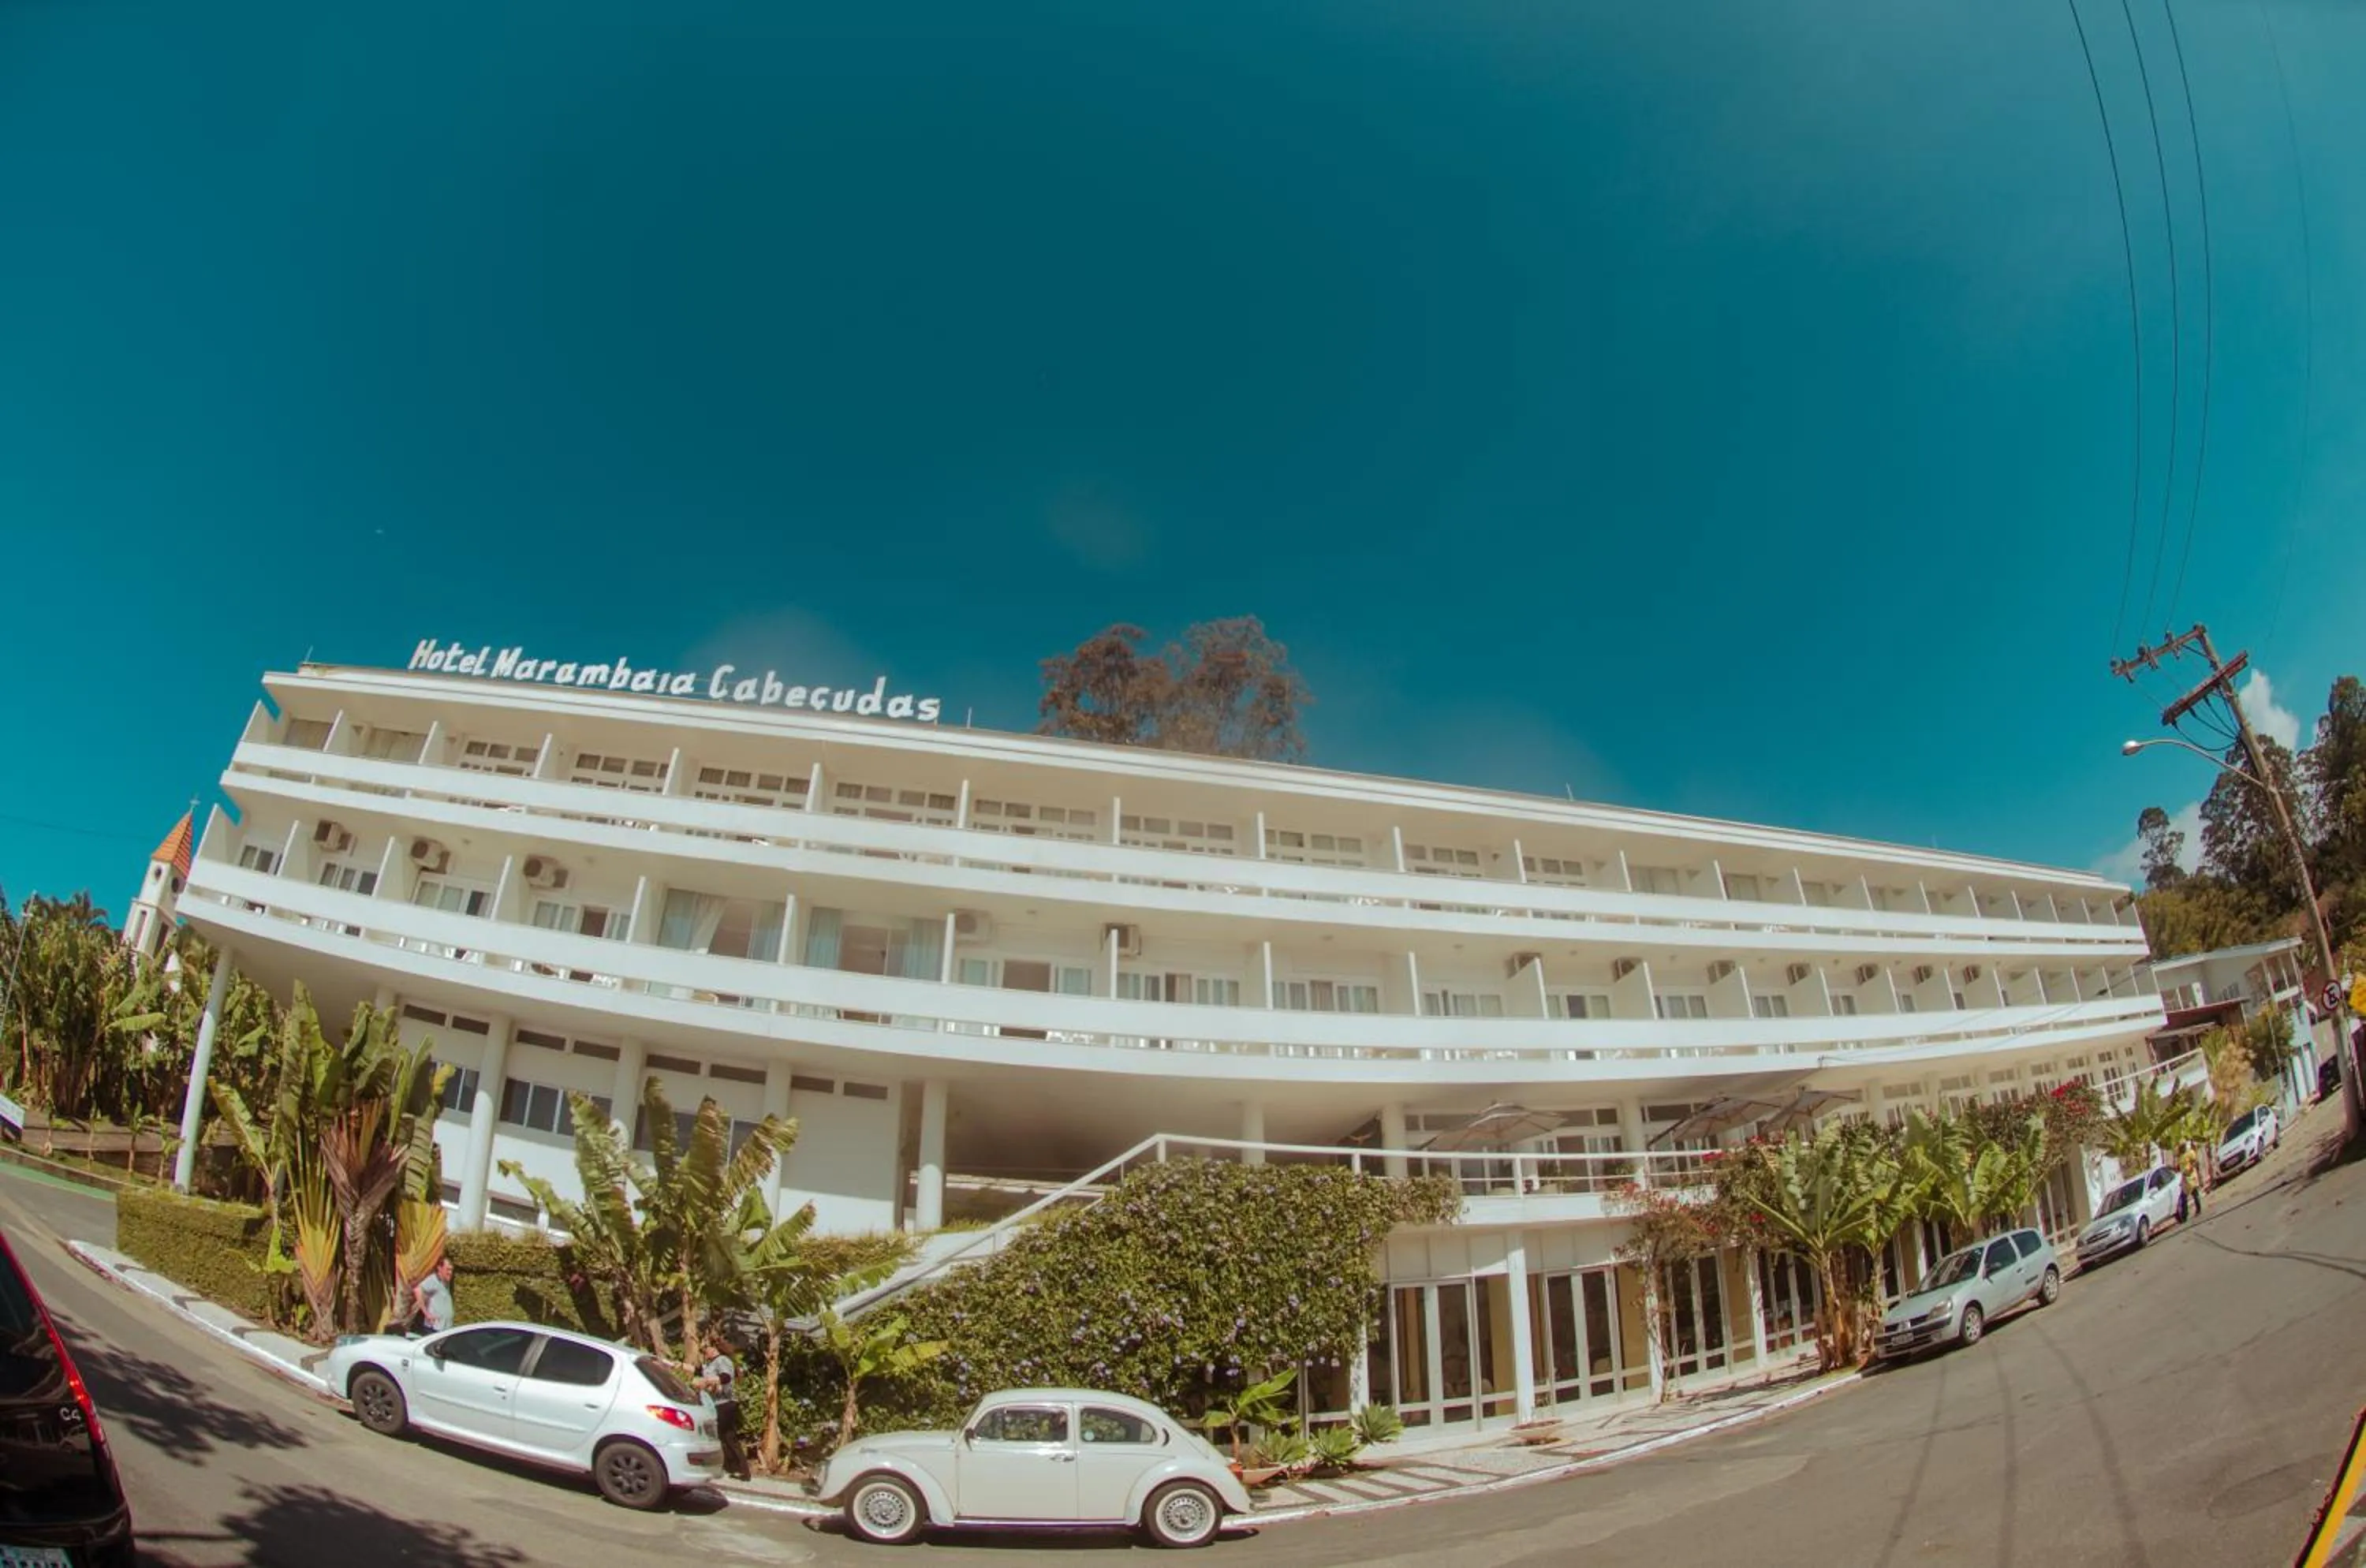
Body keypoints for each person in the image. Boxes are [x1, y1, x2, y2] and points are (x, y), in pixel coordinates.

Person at [700, 1338, 750, 1480]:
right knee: (724, 1436)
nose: (704, 1352)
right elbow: (697, 1370)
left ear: (714, 1349)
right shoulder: (711, 1364)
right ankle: (734, 1468)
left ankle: (740, 1470)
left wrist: (708, 1382)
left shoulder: (722, 1360)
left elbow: (726, 1377)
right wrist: (675, 1365)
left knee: (727, 1436)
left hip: (725, 1404)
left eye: (706, 1349)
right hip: (718, 1404)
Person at [411, 1256, 455, 1335]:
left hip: (444, 1329)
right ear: (439, 1268)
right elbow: (417, 1290)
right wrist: (426, 1313)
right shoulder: (433, 1280)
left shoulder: (446, 1282)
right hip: (434, 1329)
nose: (450, 1272)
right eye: (448, 1269)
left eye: (451, 1270)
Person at [2176, 1143, 2204, 1224]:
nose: (2181, 1149)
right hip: (2185, 1178)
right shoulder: (2180, 1157)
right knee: (2183, 1197)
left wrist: (2191, 1168)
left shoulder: (2190, 1153)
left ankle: (2198, 1210)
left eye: (2182, 1147)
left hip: (2191, 1176)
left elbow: (2195, 1162)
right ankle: (2184, 1216)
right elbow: (2179, 1167)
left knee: (2195, 1193)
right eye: (2180, 1147)